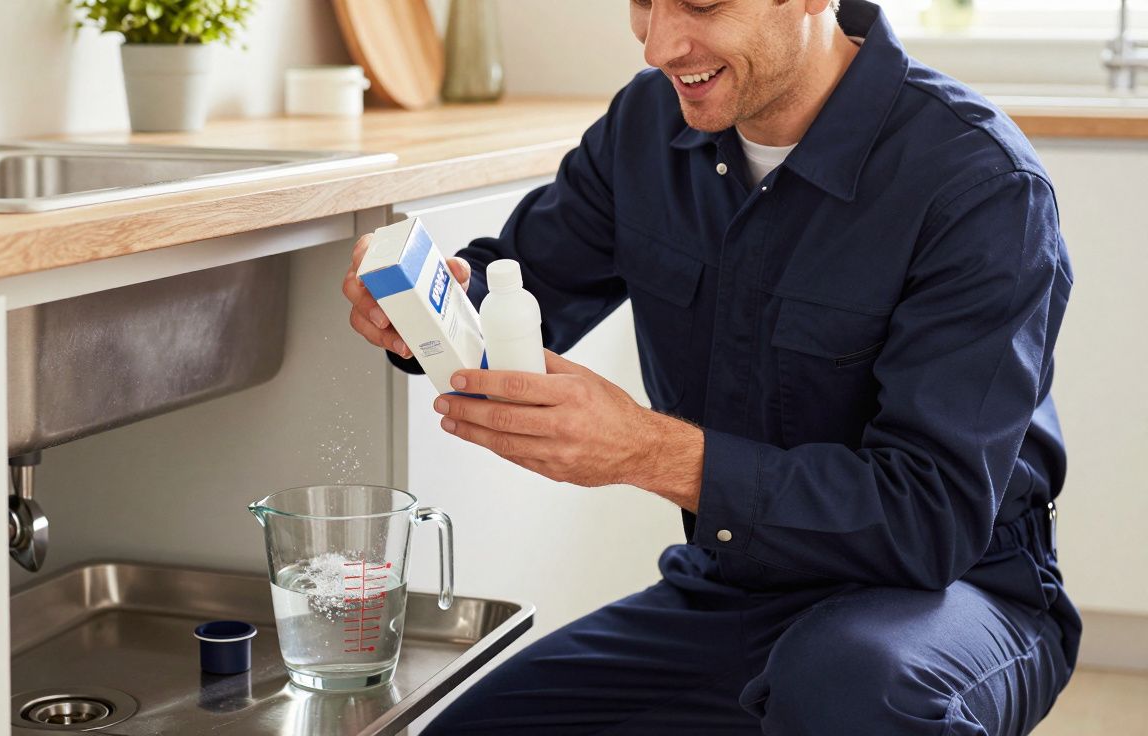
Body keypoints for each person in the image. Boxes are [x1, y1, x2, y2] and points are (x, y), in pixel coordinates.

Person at [341, 0, 1079, 733]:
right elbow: (517, 288)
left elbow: (929, 520)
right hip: (737, 588)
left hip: (956, 593)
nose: (658, 45)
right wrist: (421, 312)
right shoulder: (647, 127)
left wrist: (647, 450)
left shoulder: (980, 184)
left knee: (846, 687)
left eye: (700, 4)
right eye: (642, 3)